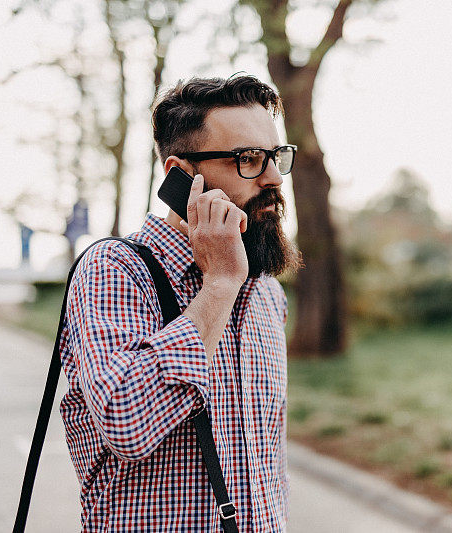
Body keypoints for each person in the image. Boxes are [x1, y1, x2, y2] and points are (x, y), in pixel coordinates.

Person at [58, 74, 303, 532]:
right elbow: (127, 424)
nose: (273, 177)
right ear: (181, 174)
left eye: (276, 156)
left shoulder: (265, 290)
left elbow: (267, 464)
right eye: (248, 159)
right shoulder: (115, 270)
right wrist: (218, 287)